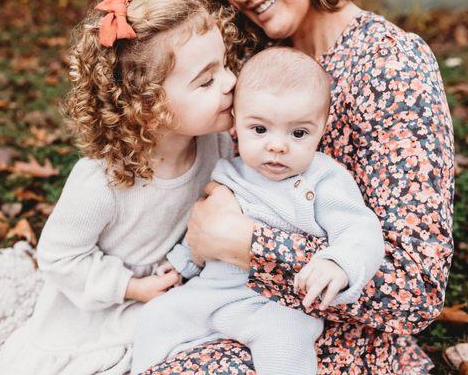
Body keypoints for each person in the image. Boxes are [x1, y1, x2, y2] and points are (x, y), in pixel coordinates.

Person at [141, 0, 455, 374]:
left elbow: (416, 291)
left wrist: (247, 244)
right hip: (219, 294)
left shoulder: (390, 64)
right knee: (147, 328)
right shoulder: (250, 55)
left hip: (333, 333)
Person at [0, 0, 239, 375]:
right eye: (206, 80)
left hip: (172, 291)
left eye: (226, 65)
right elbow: (59, 258)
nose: (230, 82)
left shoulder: (217, 144)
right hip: (103, 310)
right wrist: (132, 287)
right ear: (146, 107)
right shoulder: (103, 181)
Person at [132, 47, 385, 375]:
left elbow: (360, 230)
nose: (277, 146)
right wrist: (181, 265)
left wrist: (339, 263)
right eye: (260, 130)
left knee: (286, 340)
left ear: (321, 129)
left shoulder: (324, 179)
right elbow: (201, 232)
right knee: (157, 316)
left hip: (274, 305)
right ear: (236, 124)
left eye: (298, 133)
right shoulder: (229, 171)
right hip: (213, 291)